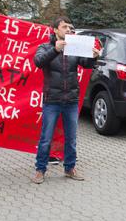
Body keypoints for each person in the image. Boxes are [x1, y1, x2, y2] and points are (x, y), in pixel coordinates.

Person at [32, 17, 100, 183]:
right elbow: (38, 62)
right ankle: (40, 170)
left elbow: (86, 64)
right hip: (52, 101)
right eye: (64, 27)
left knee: (71, 138)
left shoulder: (75, 47)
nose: (68, 29)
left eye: (70, 27)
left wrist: (93, 57)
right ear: (55, 30)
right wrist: (55, 50)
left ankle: (69, 169)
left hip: (71, 100)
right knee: (46, 138)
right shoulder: (45, 47)